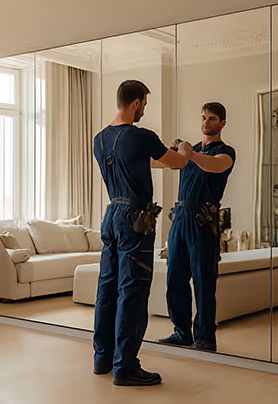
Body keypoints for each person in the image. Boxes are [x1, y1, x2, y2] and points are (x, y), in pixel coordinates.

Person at [92, 80, 190, 386]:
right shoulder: (141, 136)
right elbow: (177, 163)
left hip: (112, 215)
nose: (144, 110)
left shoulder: (99, 139)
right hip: (137, 217)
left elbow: (131, 164)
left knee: (107, 289)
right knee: (133, 291)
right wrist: (184, 151)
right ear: (136, 103)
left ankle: (102, 358)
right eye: (144, 104)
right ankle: (126, 367)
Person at [155, 102, 236, 352]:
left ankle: (205, 339)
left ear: (222, 123)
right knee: (175, 279)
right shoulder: (189, 152)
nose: (205, 122)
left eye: (212, 118)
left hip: (205, 219)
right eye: (203, 117)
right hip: (180, 216)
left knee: (203, 280)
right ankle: (182, 333)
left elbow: (215, 166)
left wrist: (189, 154)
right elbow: (158, 163)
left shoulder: (226, 151)